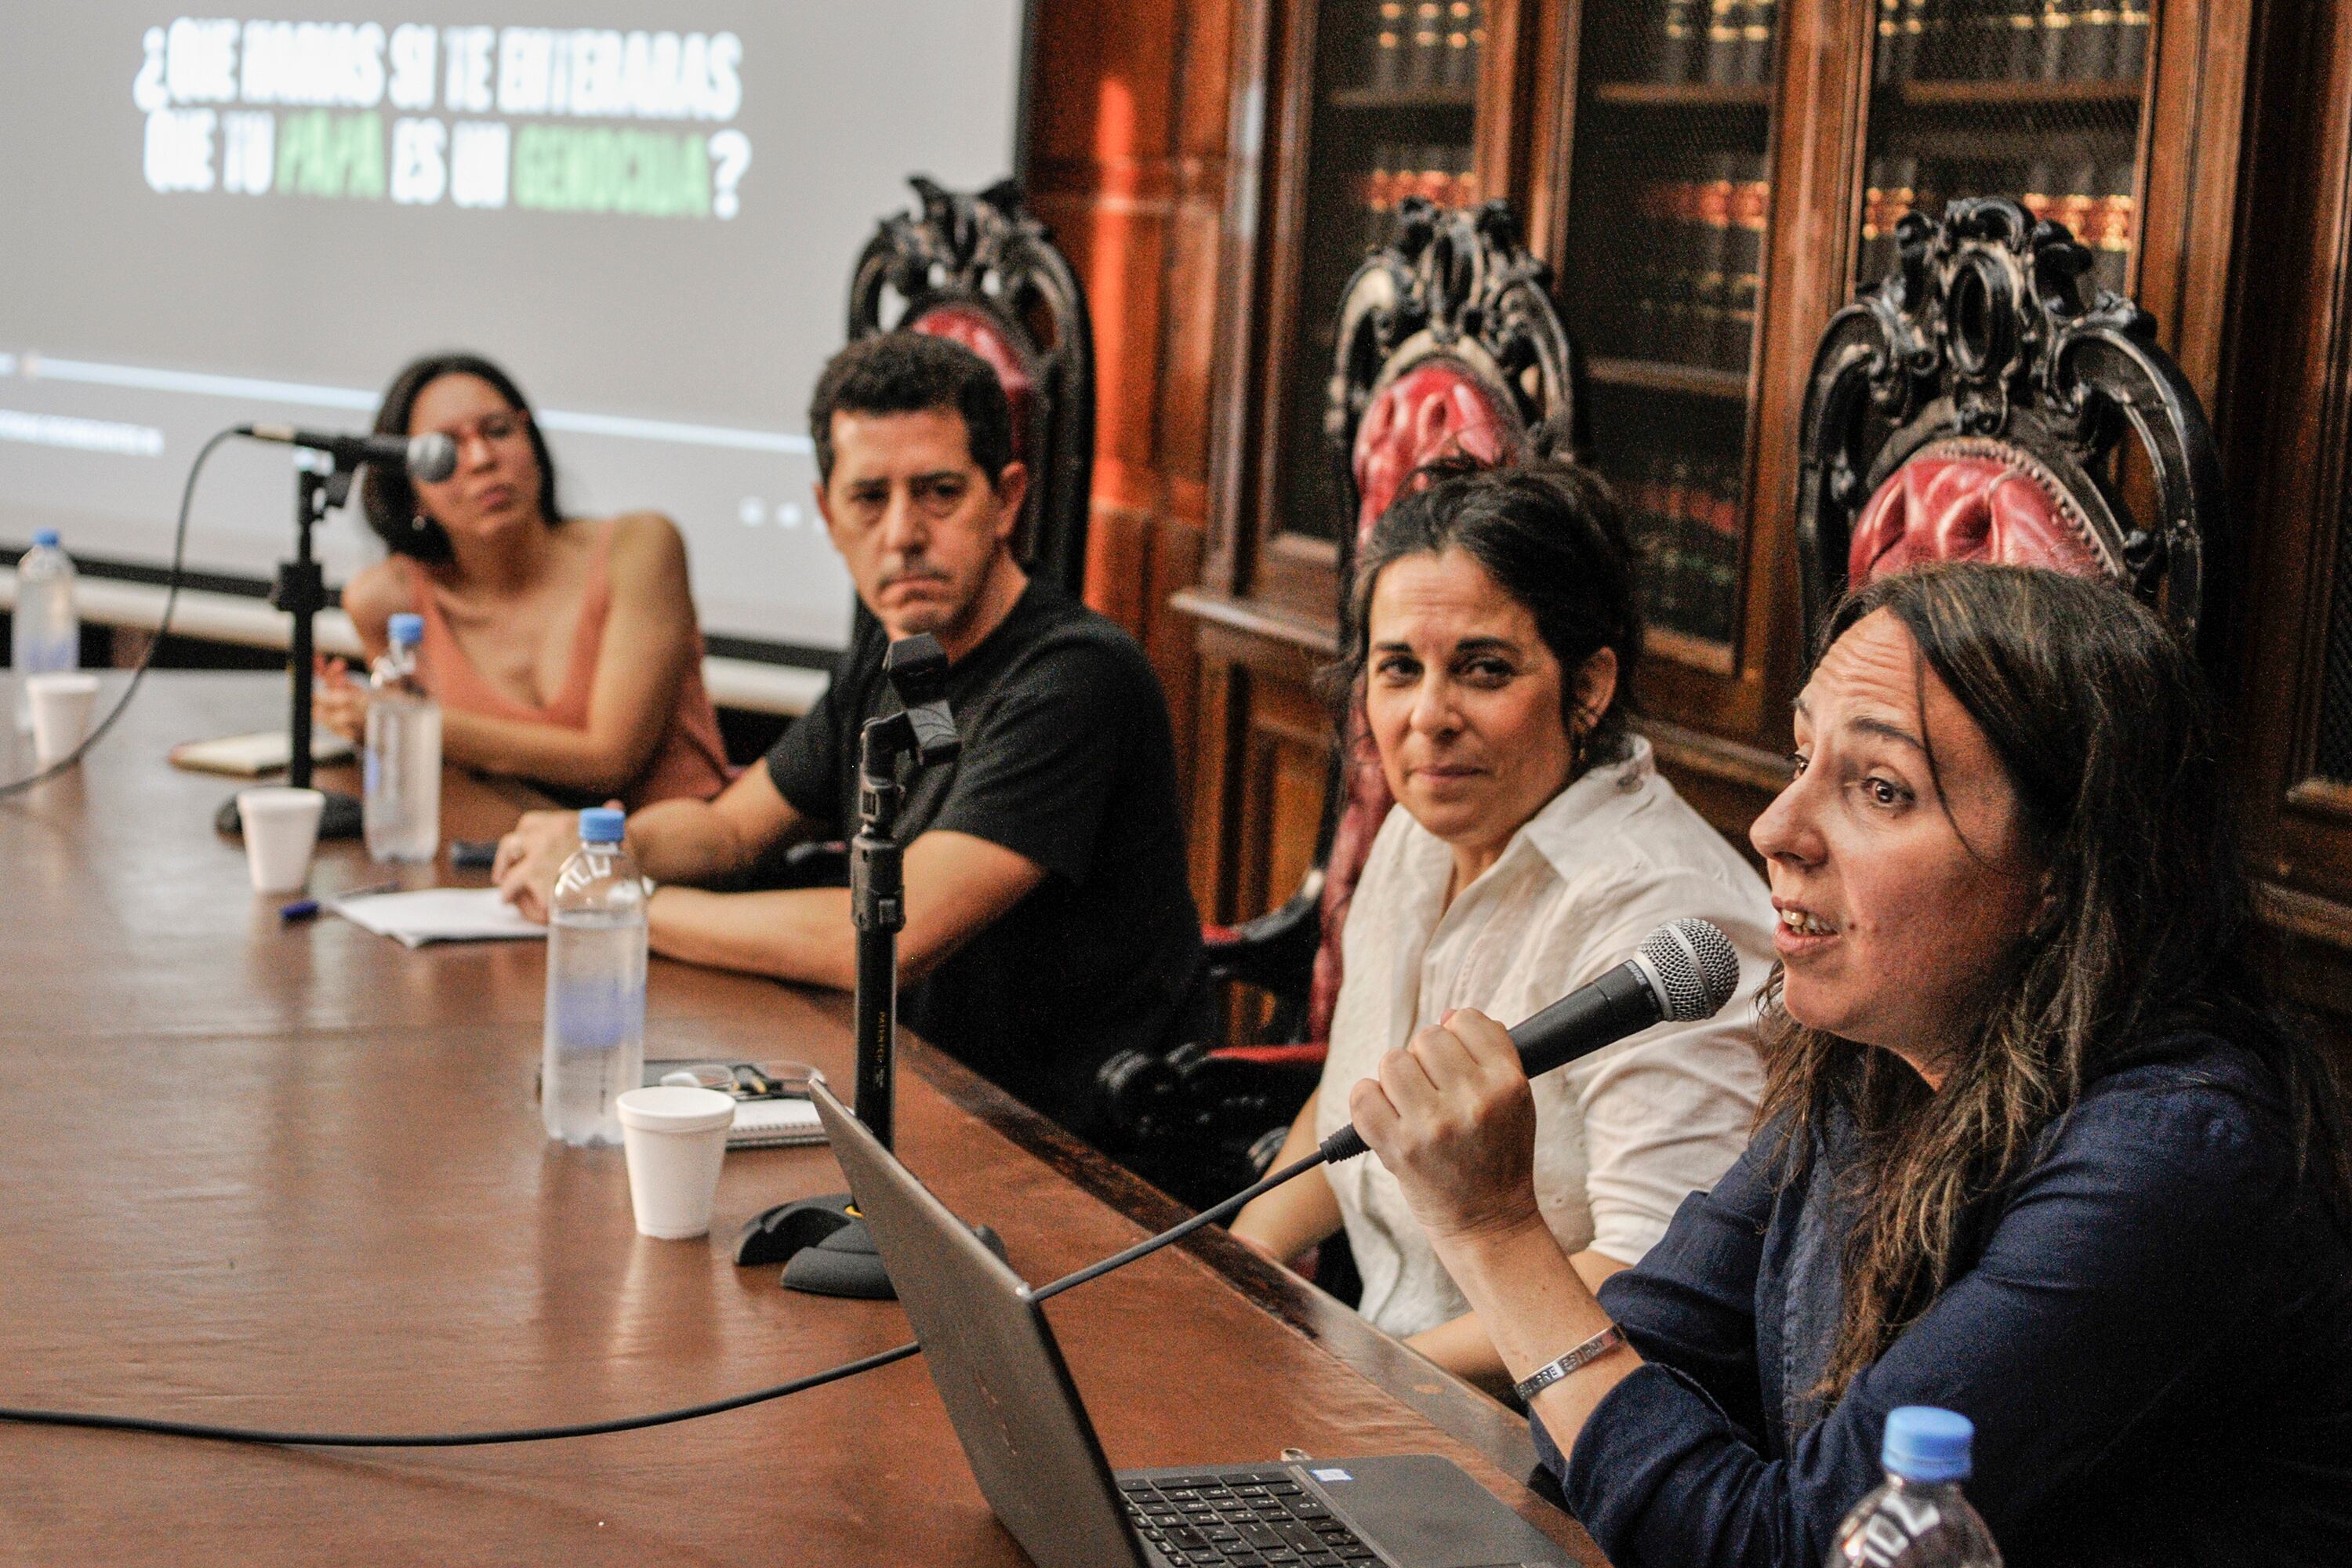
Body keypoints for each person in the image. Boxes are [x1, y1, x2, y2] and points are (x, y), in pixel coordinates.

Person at [1344, 562, 2352, 1566]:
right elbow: (1636, 1375)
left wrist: (1496, 1231)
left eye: (1880, 789)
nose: (1776, 829)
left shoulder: (2174, 1161)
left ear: (2062, 873)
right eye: (1799, 758)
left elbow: (1802, 1551)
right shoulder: (1876, 1064)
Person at [494, 332, 1204, 1138]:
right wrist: (601, 849)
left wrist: (623, 905)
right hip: (911, 1092)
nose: (902, 533)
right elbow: (730, 831)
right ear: (829, 514)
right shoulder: (894, 651)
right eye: (869, 498)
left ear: (1006, 500)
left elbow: (885, 941)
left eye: (939, 493)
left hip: (1058, 1142)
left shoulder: (1075, 677)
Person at [1229, 463, 1775, 1393]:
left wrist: (1356, 1382)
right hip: (1377, 1371)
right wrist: (1238, 1267)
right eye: (1398, 668)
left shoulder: (1667, 915)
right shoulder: (1419, 832)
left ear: (1589, 686)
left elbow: (1646, 1279)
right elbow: (1356, 1100)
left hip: (1548, 1429)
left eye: (1484, 669)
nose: (1428, 717)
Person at [316, 352, 731, 808]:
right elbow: (431, 777)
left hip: (676, 842)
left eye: (498, 431)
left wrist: (404, 722)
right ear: (411, 490)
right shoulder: (386, 600)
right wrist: (367, 721)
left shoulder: (640, 547)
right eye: (443, 451)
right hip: (499, 845)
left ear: (531, 443)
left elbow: (610, 761)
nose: (481, 459)